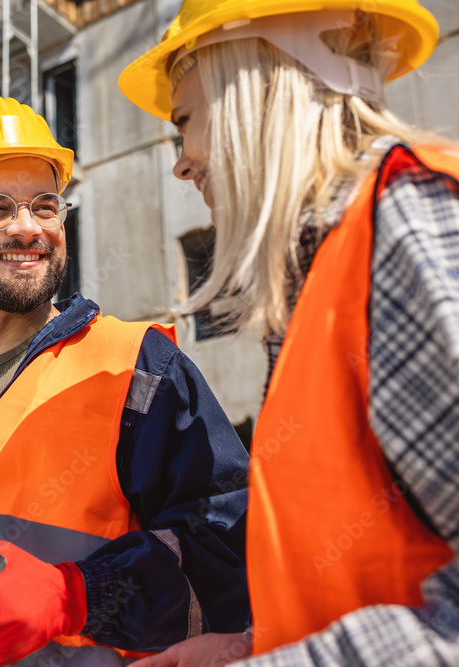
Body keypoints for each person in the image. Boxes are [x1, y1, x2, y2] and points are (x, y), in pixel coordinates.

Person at [119, 0, 459, 664]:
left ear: (258, 80)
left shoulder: (407, 227)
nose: (181, 164)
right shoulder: (334, 264)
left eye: (183, 121)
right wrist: (252, 646)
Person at [0, 95, 252, 667]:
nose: (28, 228)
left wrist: (82, 596)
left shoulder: (134, 365)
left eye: (46, 206)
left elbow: (227, 551)